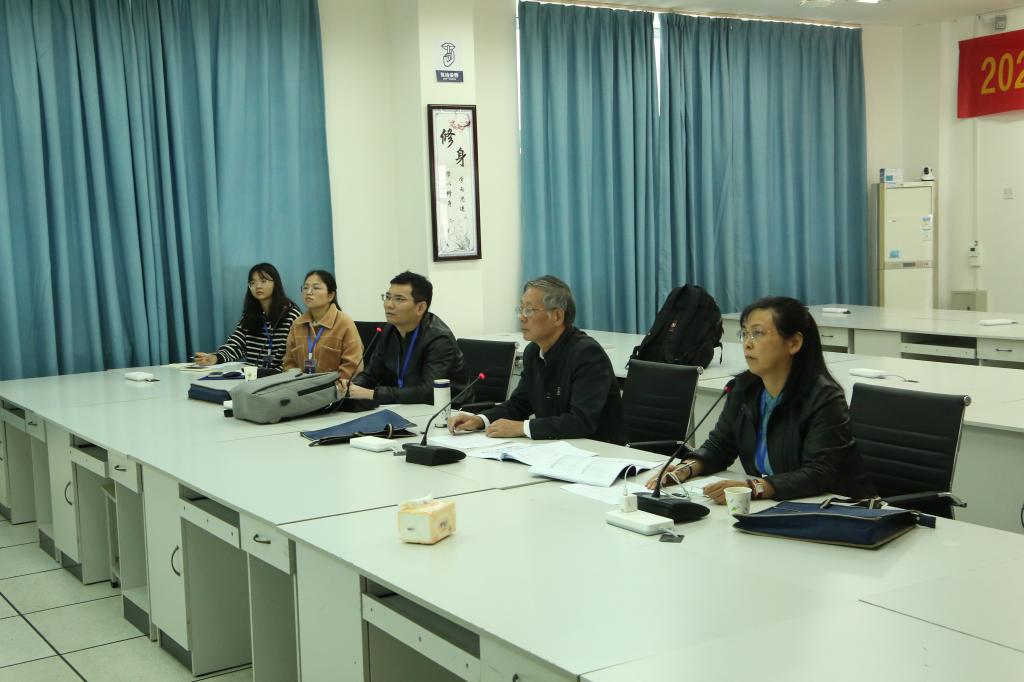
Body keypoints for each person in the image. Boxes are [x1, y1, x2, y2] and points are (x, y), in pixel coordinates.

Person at [646, 296, 875, 503]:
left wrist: (754, 487)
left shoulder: (824, 398)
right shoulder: (743, 388)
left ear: (794, 343)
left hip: (836, 509)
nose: (747, 343)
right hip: (778, 506)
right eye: (744, 333)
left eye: (758, 333)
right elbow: (719, 447)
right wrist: (685, 469)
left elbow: (818, 473)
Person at [447, 275, 625, 444]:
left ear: (557, 316)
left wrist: (522, 428)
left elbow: (581, 422)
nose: (521, 317)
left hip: (601, 452)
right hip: (557, 448)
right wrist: (480, 419)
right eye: (521, 309)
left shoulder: (587, 354)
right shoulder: (533, 352)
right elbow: (519, 404)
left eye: (529, 310)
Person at [347, 271, 466, 404]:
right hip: (403, 407)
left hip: (448, 410)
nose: (389, 304)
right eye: (387, 297)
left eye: (399, 299)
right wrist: (352, 388)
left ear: (420, 308)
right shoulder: (388, 331)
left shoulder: (439, 339)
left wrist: (374, 394)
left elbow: (429, 391)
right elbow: (370, 375)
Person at [193, 263, 301, 370]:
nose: (258, 286)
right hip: (253, 376)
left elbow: (296, 356)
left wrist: (270, 375)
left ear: (276, 284)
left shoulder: (291, 315)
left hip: (281, 377)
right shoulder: (251, 314)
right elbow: (236, 345)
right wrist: (216, 357)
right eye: (253, 283)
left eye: (263, 281)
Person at [282, 270, 363, 389]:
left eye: (316, 288)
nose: (308, 292)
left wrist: (330, 389)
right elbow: (289, 361)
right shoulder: (297, 325)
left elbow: (353, 366)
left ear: (331, 295)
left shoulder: (345, 324)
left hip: (334, 391)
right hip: (300, 390)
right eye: (305, 287)